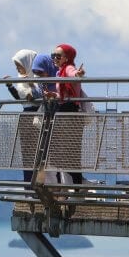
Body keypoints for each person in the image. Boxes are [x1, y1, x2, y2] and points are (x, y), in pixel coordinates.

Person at [51, 43, 86, 188]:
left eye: (58, 56)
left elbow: (73, 73)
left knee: (69, 151)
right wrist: (54, 95)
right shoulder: (60, 72)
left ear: (67, 58)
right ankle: (77, 184)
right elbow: (63, 94)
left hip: (69, 112)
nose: (55, 58)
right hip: (65, 110)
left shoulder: (68, 68)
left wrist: (78, 74)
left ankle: (78, 184)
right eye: (53, 55)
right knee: (68, 151)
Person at [5, 49, 42, 182]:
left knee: (40, 151)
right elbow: (20, 98)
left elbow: (39, 95)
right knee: (27, 152)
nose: (17, 68)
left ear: (28, 63)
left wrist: (31, 84)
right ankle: (29, 182)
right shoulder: (21, 79)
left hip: (39, 114)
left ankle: (41, 182)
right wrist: (10, 86)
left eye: (19, 65)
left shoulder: (39, 76)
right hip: (27, 116)